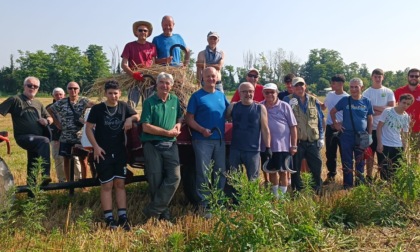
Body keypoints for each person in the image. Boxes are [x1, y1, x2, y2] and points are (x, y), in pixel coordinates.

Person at [86, 80, 139, 230]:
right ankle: (109, 218)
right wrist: (95, 147)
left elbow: (137, 116)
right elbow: (88, 128)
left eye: (116, 93)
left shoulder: (123, 106)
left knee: (120, 184)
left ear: (120, 93)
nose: (113, 96)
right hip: (103, 152)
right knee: (107, 185)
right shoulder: (98, 109)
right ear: (105, 93)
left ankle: (123, 217)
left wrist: (130, 118)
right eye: (110, 93)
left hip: (120, 151)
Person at [185, 67, 229, 212]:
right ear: (202, 78)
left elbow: (230, 112)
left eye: (213, 76)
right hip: (202, 140)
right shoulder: (197, 96)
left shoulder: (221, 96)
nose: (211, 79)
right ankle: (204, 203)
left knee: (220, 171)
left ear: (217, 78)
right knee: (203, 172)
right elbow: (189, 119)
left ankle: (218, 201)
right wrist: (202, 130)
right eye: (208, 76)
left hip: (220, 140)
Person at [140, 72, 182, 221]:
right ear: (156, 85)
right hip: (153, 144)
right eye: (162, 83)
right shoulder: (149, 102)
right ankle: (164, 214)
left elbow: (180, 117)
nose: (165, 85)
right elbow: (145, 126)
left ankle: (153, 210)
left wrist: (178, 125)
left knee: (175, 177)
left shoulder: (175, 100)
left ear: (171, 86)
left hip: (170, 144)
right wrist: (167, 133)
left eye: (167, 83)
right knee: (155, 179)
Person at [0, 76, 52, 186]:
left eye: (35, 86)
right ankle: (45, 174)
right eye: (29, 85)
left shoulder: (38, 103)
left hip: (36, 138)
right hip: (24, 137)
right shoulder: (15, 99)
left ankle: (31, 192)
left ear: (38, 88)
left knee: (33, 163)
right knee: (45, 141)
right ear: (24, 86)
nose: (32, 88)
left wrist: (46, 121)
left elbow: (50, 118)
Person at [330, 78, 373, 188]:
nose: (353, 89)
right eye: (351, 87)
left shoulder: (366, 101)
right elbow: (332, 111)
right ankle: (347, 185)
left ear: (361, 88)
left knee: (360, 161)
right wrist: (336, 124)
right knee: (347, 161)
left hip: (362, 135)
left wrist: (369, 135)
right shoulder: (345, 100)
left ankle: (359, 184)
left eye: (356, 87)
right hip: (347, 135)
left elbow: (370, 119)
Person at [283, 77, 325, 191]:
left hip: (312, 141)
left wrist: (321, 137)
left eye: (301, 85)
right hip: (297, 142)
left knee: (317, 167)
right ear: (292, 87)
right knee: (295, 169)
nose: (299, 88)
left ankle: (317, 190)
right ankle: (298, 191)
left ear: (305, 86)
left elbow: (320, 120)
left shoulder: (313, 100)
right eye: (296, 85)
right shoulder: (287, 100)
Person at [227, 82, 271, 181]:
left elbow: (265, 128)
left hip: (253, 151)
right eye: (245, 92)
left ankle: (251, 197)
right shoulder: (233, 107)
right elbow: (226, 118)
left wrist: (268, 147)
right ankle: (236, 196)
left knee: (253, 180)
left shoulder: (260, 108)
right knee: (234, 179)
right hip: (235, 149)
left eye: (251, 91)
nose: (248, 94)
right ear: (239, 93)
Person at [50, 82, 94, 182]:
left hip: (80, 136)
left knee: (83, 160)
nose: (73, 90)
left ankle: (83, 183)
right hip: (66, 136)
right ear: (67, 90)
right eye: (70, 88)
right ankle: (69, 184)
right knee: (67, 159)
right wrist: (56, 122)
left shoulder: (84, 101)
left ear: (79, 89)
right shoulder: (62, 102)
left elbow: (94, 106)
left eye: (75, 88)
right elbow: (49, 109)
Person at [260, 83, 297, 198]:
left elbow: (293, 126)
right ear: (263, 94)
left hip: (283, 146)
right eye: (267, 92)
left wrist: (294, 145)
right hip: (267, 146)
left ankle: (282, 197)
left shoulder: (285, 106)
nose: (270, 94)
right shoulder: (260, 106)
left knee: (283, 171)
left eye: (272, 92)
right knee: (272, 171)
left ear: (277, 93)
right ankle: (276, 196)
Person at [362, 68, 395, 182]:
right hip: (370, 128)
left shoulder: (388, 91)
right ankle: (369, 177)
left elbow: (391, 108)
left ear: (383, 77)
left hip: (384, 129)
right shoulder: (366, 92)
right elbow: (365, 110)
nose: (377, 79)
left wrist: (374, 108)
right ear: (372, 77)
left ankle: (383, 178)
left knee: (383, 154)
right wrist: (383, 110)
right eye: (375, 76)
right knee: (370, 154)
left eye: (379, 77)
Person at [46, 88, 81, 183]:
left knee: (75, 158)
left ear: (64, 95)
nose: (59, 96)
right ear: (53, 96)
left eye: (60, 94)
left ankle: (79, 178)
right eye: (56, 95)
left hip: (71, 137)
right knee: (58, 158)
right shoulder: (49, 108)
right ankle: (62, 180)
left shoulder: (72, 105)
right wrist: (56, 125)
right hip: (56, 137)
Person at [376, 94, 413, 180]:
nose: (405, 105)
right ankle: (384, 189)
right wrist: (379, 143)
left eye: (408, 104)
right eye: (404, 102)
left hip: (398, 145)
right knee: (384, 170)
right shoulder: (388, 111)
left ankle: (393, 190)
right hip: (385, 144)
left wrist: (405, 149)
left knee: (396, 171)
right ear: (398, 102)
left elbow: (405, 134)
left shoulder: (406, 116)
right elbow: (379, 127)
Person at [121, 20, 157, 107]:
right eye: (140, 30)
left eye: (145, 30)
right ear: (136, 32)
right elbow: (124, 64)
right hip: (134, 80)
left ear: (148, 33)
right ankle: (131, 120)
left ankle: (146, 120)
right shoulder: (129, 46)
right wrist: (134, 74)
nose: (143, 32)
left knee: (149, 104)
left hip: (148, 80)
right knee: (132, 104)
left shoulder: (152, 46)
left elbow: (154, 64)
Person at [323, 75, 349, 184]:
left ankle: (347, 177)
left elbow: (348, 115)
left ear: (341, 84)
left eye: (334, 83)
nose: (332, 85)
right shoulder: (329, 95)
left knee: (345, 153)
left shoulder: (347, 97)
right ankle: (331, 175)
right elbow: (323, 107)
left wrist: (339, 124)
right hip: (330, 128)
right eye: (332, 83)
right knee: (330, 153)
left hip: (343, 129)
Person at [394, 68, 420, 147]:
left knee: (415, 155)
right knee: (401, 154)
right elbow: (392, 107)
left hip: (417, 128)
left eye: (416, 76)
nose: (414, 78)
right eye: (412, 76)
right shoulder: (399, 91)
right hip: (400, 128)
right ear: (408, 77)